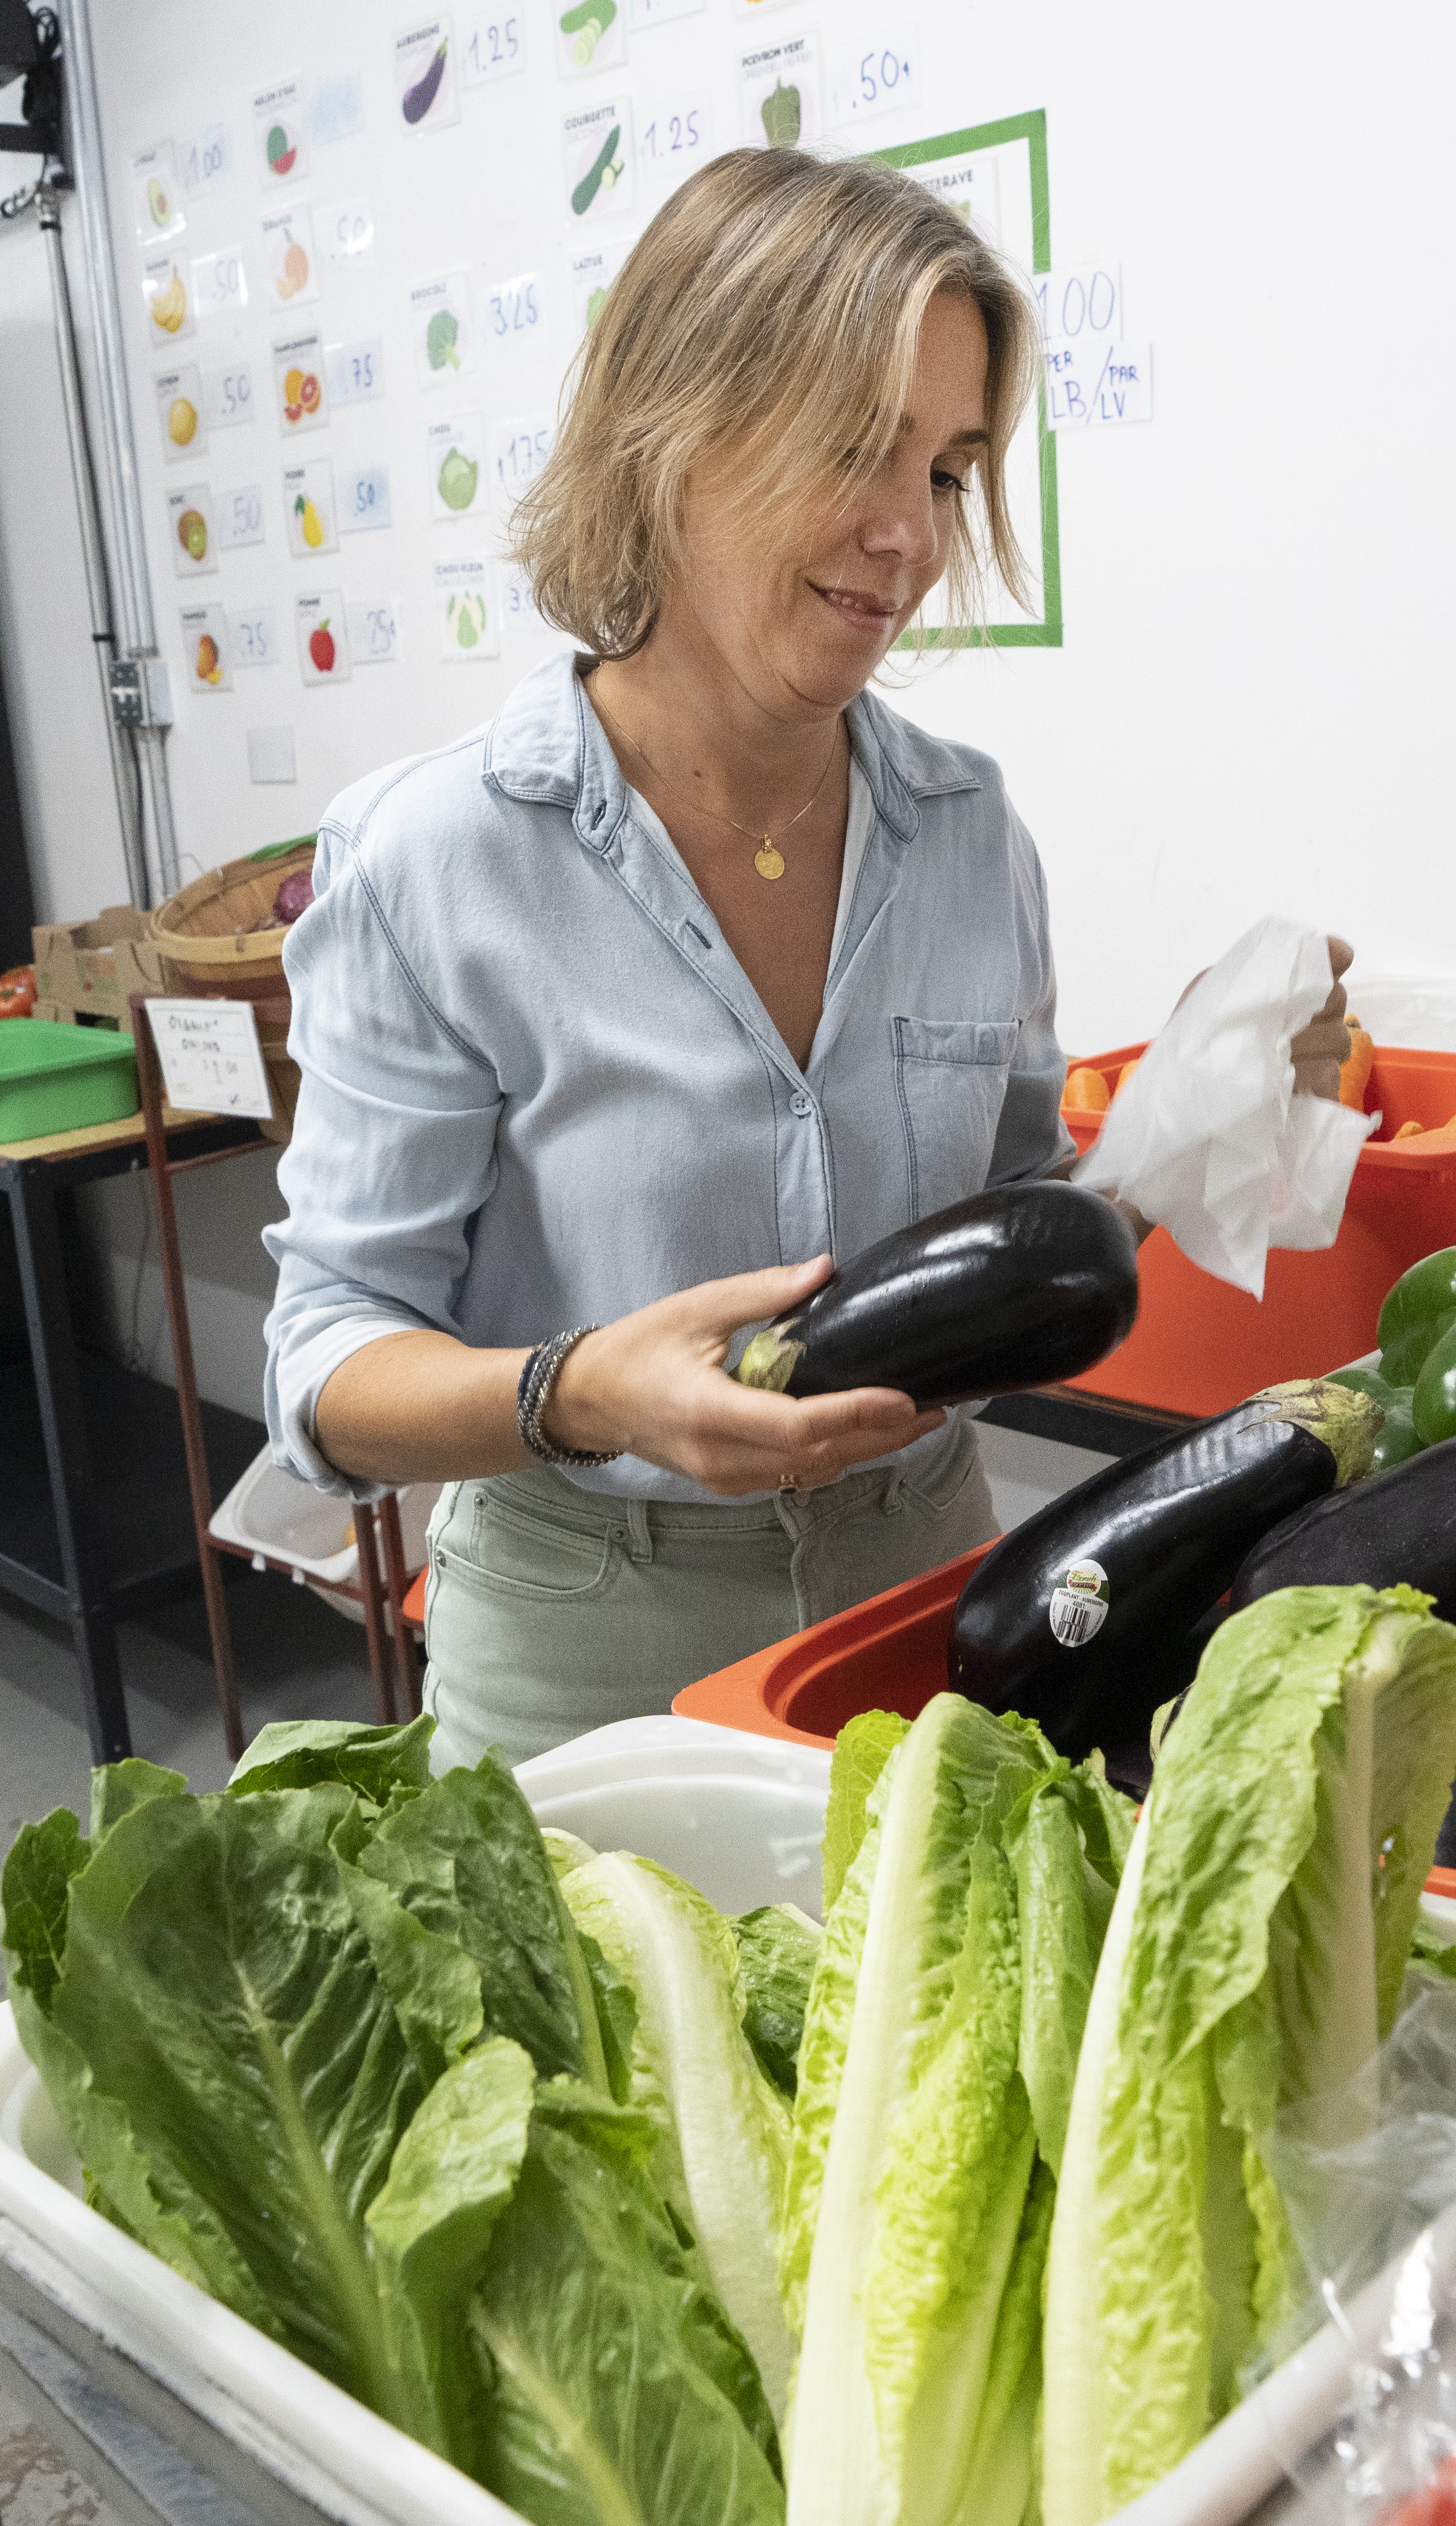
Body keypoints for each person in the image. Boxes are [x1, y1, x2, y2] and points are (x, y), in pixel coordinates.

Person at [262, 148, 1348, 1766]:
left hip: (925, 1592)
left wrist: (1187, 1129)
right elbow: (331, 1354)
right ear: (675, 431)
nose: (907, 536)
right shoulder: (436, 860)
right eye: (857, 448)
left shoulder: (970, 833)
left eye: (949, 471)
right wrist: (584, 1391)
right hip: (584, 1632)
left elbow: (1015, 1259)